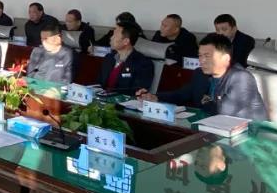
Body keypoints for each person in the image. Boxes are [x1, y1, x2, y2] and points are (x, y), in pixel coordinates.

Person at [137, 33, 267, 121]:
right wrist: (155, 97)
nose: (202, 61)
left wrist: (204, 101)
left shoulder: (241, 78)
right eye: (200, 56)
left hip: (248, 137)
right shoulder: (200, 73)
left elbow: (223, 113)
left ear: (225, 58)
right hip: (213, 129)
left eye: (207, 56)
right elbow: (182, 94)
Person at [97, 22, 154, 94]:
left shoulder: (143, 64)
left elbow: (137, 92)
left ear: (126, 41)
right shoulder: (109, 58)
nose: (111, 38)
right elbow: (99, 83)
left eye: (114, 35)